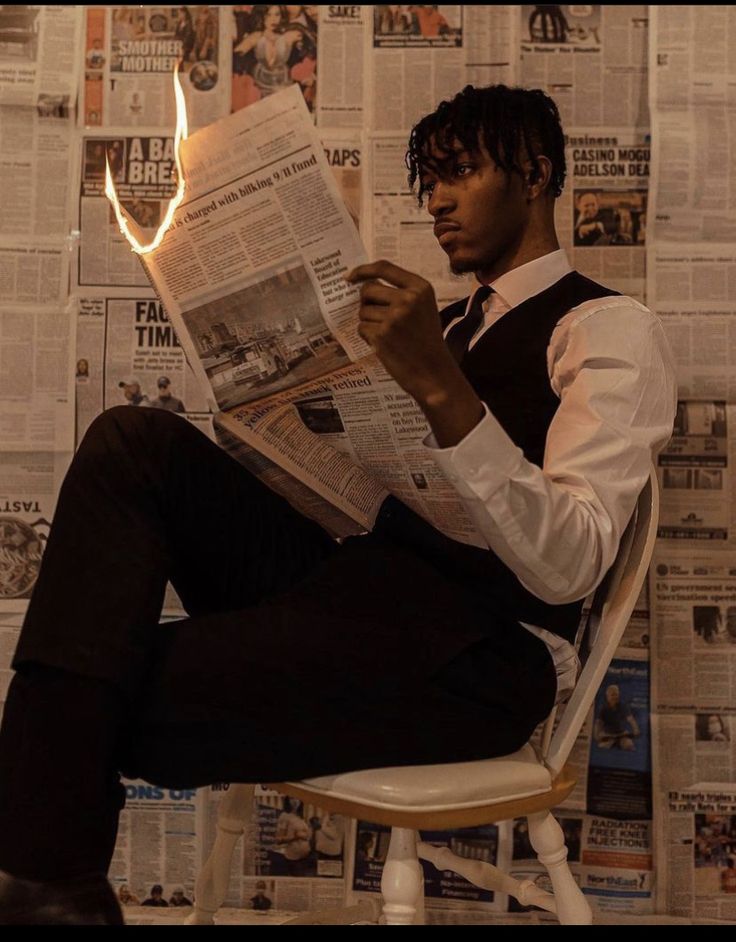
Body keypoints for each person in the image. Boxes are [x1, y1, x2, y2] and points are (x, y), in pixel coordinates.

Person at [0, 83, 675, 924]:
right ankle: (46, 891)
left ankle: (43, 885)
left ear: (535, 175)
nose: (435, 201)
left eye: (459, 174)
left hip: (486, 651)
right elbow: (367, 491)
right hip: (361, 591)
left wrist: (438, 385)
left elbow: (571, 563)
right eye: (428, 180)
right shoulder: (447, 322)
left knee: (100, 690)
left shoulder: (608, 330)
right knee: (133, 442)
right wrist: (276, 433)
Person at [594, 685, 640, 750]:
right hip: (608, 735)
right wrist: (596, 735)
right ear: (607, 697)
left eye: (616, 694)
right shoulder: (603, 709)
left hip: (622, 734)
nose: (615, 697)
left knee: (629, 745)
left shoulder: (623, 706)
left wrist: (636, 730)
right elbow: (598, 723)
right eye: (612, 695)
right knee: (602, 746)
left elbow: (631, 720)